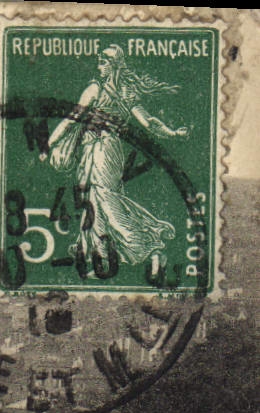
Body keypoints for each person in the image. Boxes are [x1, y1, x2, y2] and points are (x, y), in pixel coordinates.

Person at [41, 45, 189, 272]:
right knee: (95, 200)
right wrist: (171, 132)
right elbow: (147, 121)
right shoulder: (123, 91)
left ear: (114, 66)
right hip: (102, 150)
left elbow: (71, 120)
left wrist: (48, 143)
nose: (99, 66)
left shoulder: (97, 89)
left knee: (105, 198)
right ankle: (100, 256)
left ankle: (145, 245)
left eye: (103, 62)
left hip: (102, 151)